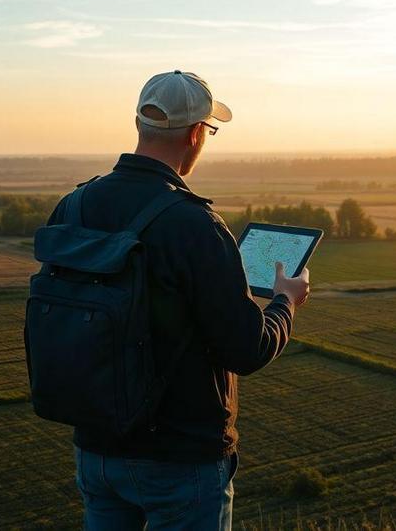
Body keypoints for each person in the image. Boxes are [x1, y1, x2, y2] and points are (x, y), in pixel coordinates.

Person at [43, 70, 311, 530]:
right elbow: (246, 349)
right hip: (181, 459)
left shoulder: (76, 205)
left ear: (140, 125)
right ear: (194, 134)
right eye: (209, 130)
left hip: (97, 449)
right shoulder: (196, 225)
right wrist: (285, 302)